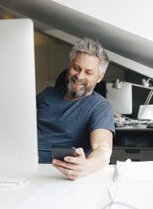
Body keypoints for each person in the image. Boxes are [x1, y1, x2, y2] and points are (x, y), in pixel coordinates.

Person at [36, 38, 115, 180]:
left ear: (99, 77)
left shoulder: (100, 106)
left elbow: (103, 149)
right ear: (69, 66)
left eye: (88, 72)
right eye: (76, 68)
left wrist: (86, 166)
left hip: (60, 175)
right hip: (24, 169)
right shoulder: (46, 94)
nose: (79, 76)